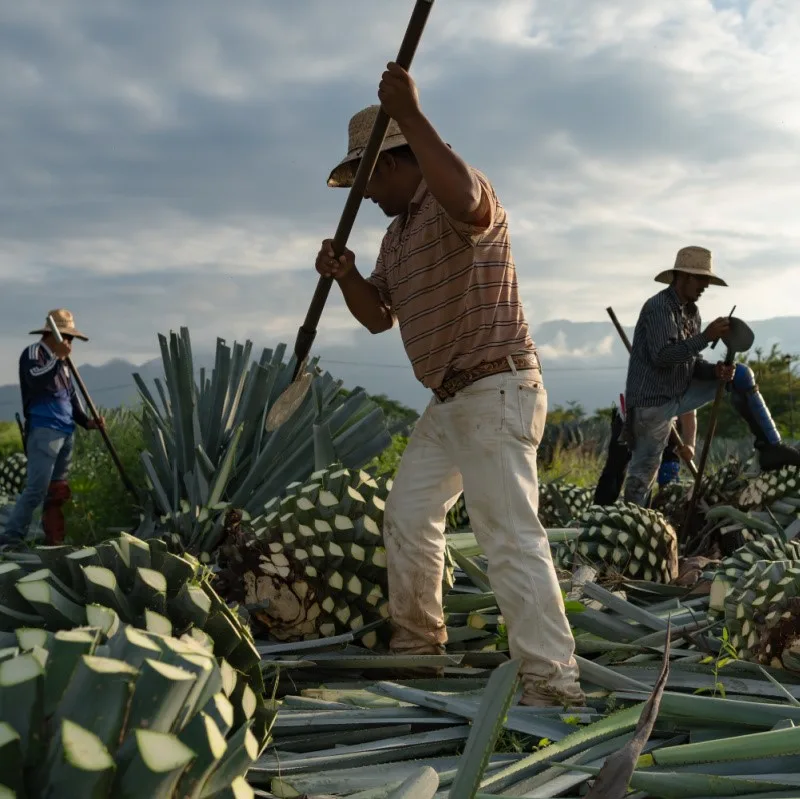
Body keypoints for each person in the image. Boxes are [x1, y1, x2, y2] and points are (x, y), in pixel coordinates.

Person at [315, 63, 584, 707]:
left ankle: (552, 680)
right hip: (448, 400)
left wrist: (409, 113)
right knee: (408, 515)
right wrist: (346, 275)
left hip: (495, 388)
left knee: (508, 535)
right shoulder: (395, 235)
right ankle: (418, 647)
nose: (366, 194)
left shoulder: (458, 198)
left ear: (391, 164)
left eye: (366, 178)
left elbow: (464, 195)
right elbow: (379, 317)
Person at [622, 246, 800, 506]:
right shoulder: (659, 308)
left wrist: (714, 371)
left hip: (680, 391)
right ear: (683, 277)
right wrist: (706, 337)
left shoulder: (692, 313)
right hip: (654, 402)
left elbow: (691, 362)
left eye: (706, 280)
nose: (705, 286)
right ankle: (632, 521)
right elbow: (664, 357)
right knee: (644, 472)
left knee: (739, 375)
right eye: (701, 279)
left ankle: (771, 446)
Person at [0, 309, 105, 548]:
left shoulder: (64, 363)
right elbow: (36, 380)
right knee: (37, 488)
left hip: (66, 431)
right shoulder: (34, 353)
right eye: (66, 337)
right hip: (44, 429)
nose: (69, 342)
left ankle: (53, 539)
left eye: (71, 338)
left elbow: (71, 397)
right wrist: (57, 358)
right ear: (52, 335)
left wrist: (87, 422)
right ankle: (11, 536)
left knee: (57, 491)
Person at [594, 408, 694, 506]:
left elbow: (689, 412)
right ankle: (600, 512)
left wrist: (690, 444)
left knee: (652, 476)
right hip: (629, 418)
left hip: (662, 426)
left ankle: (657, 510)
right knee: (615, 469)